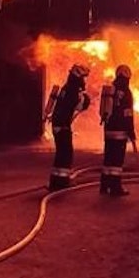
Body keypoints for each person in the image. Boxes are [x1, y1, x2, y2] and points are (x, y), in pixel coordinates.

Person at [44, 62, 91, 191]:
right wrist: (84, 101)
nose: (84, 81)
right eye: (83, 77)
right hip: (63, 126)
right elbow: (75, 106)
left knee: (61, 154)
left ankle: (56, 182)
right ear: (78, 76)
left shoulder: (67, 87)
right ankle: (62, 182)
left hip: (59, 124)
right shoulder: (72, 90)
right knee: (65, 155)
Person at [99, 64, 136, 196]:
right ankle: (115, 187)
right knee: (117, 160)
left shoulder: (111, 89)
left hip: (109, 130)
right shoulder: (126, 91)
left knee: (108, 158)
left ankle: (104, 186)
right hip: (120, 131)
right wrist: (131, 131)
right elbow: (128, 113)